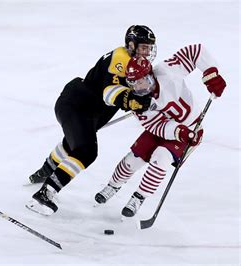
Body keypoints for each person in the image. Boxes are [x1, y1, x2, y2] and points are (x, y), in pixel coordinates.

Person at [26, 25, 157, 215]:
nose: (148, 51)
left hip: (86, 110)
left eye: (150, 48)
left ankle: (45, 171)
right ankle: (46, 192)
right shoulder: (121, 59)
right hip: (77, 106)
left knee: (73, 144)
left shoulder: (135, 62)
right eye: (144, 47)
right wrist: (130, 100)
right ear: (131, 44)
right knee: (86, 151)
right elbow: (109, 93)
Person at [94, 44, 226, 217]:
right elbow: (156, 126)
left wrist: (211, 73)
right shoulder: (138, 102)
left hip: (191, 129)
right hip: (166, 130)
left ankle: (139, 197)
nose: (139, 88)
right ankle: (113, 185)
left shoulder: (166, 71)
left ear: (150, 75)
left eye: (142, 81)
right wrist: (178, 131)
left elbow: (195, 51)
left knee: (161, 158)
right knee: (132, 159)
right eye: (134, 84)